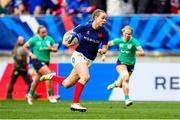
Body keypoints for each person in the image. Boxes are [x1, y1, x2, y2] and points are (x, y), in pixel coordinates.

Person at [40, 9, 109, 112]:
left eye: (106, 19)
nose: (104, 20)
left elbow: (105, 48)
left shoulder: (104, 33)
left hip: (89, 60)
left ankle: (51, 76)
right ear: (95, 18)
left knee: (66, 84)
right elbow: (70, 34)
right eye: (102, 18)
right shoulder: (84, 27)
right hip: (78, 56)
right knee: (85, 77)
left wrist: (102, 51)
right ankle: (75, 103)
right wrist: (66, 41)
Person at [107, 25, 144, 106]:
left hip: (131, 64)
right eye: (126, 33)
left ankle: (115, 84)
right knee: (126, 77)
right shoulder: (119, 40)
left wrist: (134, 53)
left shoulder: (134, 41)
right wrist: (103, 52)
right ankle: (127, 99)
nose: (127, 35)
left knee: (120, 85)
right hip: (121, 63)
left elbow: (142, 52)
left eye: (129, 34)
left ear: (131, 34)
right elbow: (108, 44)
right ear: (123, 32)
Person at [23, 25, 58, 105]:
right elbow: (24, 47)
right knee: (49, 74)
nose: (44, 33)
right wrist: (31, 54)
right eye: (42, 32)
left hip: (46, 62)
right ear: (38, 33)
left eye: (45, 32)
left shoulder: (49, 39)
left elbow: (56, 49)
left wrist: (51, 49)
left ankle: (29, 94)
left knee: (37, 80)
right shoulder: (34, 39)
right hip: (37, 61)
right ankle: (50, 96)